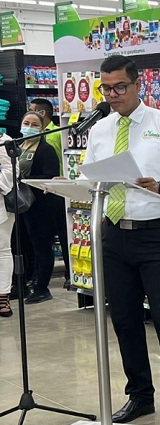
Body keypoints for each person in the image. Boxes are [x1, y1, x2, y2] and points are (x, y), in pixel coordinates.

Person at [84, 54, 160, 425]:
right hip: (113, 233)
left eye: (120, 87)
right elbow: (90, 176)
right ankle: (140, 395)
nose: (113, 94)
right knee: (125, 320)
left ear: (138, 85)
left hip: (156, 234)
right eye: (106, 88)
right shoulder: (99, 130)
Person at [17, 113, 62, 304]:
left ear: (42, 129)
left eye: (34, 125)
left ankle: (42, 287)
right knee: (22, 246)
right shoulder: (17, 148)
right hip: (19, 204)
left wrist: (26, 181)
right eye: (26, 123)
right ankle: (23, 284)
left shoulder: (46, 150)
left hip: (40, 206)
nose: (29, 127)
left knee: (41, 246)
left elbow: (49, 176)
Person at [28, 98, 70, 288]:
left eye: (33, 123)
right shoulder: (24, 144)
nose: (28, 128)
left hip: (54, 193)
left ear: (42, 115)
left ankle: (67, 274)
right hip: (41, 196)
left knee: (60, 236)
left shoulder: (51, 137)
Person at [0, 137, 14, 317]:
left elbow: (11, 170)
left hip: (1, 207)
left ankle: (3, 296)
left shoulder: (4, 141)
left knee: (2, 249)